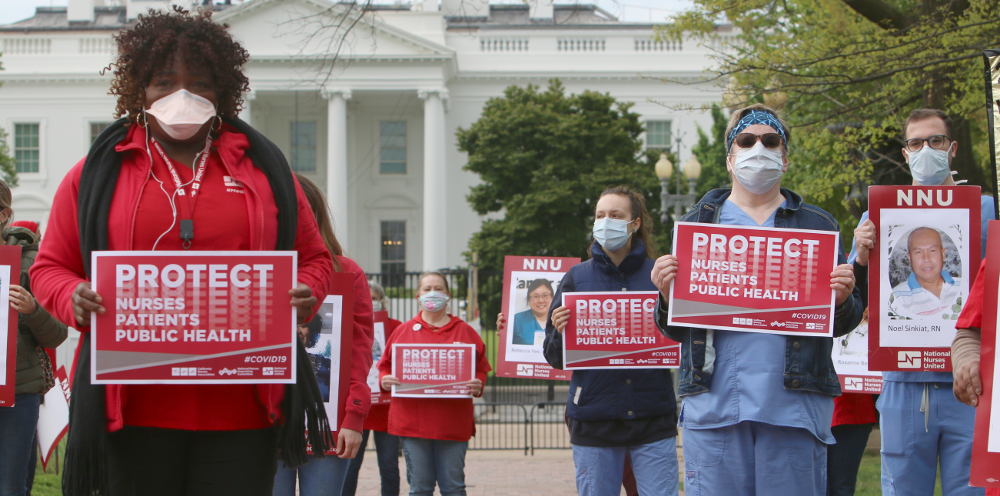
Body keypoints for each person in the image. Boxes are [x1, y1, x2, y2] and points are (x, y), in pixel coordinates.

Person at [29, 8, 333, 495]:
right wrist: (74, 295)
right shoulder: (93, 175)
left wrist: (305, 291)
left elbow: (316, 259)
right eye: (164, 82)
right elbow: (50, 268)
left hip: (243, 406)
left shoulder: (265, 172)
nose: (182, 97)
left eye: (200, 84)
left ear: (223, 92)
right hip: (129, 406)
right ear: (139, 90)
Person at [651, 104, 863, 495]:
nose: (758, 148)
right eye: (747, 141)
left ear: (784, 157)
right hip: (715, 407)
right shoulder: (698, 226)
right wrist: (666, 296)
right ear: (730, 158)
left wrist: (843, 299)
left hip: (794, 409)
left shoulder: (817, 226)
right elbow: (674, 328)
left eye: (770, 141)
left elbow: (842, 322)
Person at [852, 108, 991, 496]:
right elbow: (850, 307)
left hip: (970, 381)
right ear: (905, 153)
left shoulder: (987, 211)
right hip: (903, 382)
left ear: (953, 148)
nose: (926, 149)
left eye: (936, 141)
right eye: (916, 143)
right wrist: (861, 259)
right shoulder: (876, 218)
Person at [542, 185, 680, 496]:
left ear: (635, 224)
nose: (606, 221)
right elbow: (554, 357)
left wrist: (670, 305)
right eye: (600, 215)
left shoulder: (659, 275)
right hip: (595, 420)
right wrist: (559, 331)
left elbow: (682, 340)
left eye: (616, 215)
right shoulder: (576, 278)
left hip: (651, 419)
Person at [273, 174, 374, 496]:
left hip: (328, 421)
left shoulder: (347, 273)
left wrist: (354, 416)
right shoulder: (255, 271)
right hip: (266, 421)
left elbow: (359, 351)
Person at [377, 272, 490, 496]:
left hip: (452, 423)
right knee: (420, 488)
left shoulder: (464, 331)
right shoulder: (403, 331)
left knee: (453, 487)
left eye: (438, 288)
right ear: (418, 295)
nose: (433, 293)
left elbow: (481, 368)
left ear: (447, 295)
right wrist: (384, 380)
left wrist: (479, 384)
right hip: (413, 423)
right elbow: (384, 366)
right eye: (427, 288)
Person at [0, 181, 69, 496]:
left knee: (11, 486)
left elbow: (57, 333)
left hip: (16, 394)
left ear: (4, 215)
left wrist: (31, 309)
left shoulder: (29, 262)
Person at [342, 281, 403, 496]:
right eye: (367, 299)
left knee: (389, 466)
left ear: (382, 302)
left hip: (386, 407)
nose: (371, 303)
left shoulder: (396, 327)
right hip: (358, 406)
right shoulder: (347, 325)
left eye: (375, 299)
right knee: (350, 465)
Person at [889, 227, 963, 320]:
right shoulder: (896, 297)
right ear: (909, 257)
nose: (926, 258)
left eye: (932, 251)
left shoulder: (964, 287)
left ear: (943, 253)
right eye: (918, 252)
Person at [512, 279, 554, 345]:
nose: (541, 300)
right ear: (528, 300)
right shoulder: (517, 320)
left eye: (545, 295)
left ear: (552, 298)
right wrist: (503, 330)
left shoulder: (560, 319)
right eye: (536, 296)